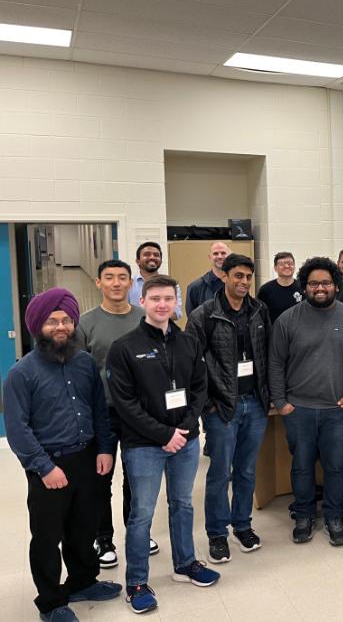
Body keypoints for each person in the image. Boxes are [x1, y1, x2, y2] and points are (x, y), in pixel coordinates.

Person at [4, 288, 121, 622]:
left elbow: (99, 409)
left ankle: (83, 582)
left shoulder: (84, 363)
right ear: (38, 325)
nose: (61, 326)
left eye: (66, 320)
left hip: (87, 458)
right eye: (53, 321)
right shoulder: (20, 374)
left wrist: (103, 448)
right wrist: (44, 467)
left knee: (84, 527)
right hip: (48, 465)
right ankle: (52, 602)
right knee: (47, 536)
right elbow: (18, 429)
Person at [107, 275, 217, 614]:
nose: (162, 305)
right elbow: (124, 403)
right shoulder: (124, 347)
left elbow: (200, 388)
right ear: (143, 301)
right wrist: (163, 435)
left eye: (168, 298)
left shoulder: (189, 342)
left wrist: (182, 430)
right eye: (155, 298)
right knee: (141, 515)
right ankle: (137, 582)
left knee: (182, 504)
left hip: (184, 440)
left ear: (176, 302)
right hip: (144, 445)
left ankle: (185, 564)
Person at [269, 257, 343, 546]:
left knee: (336, 466)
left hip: (338, 409)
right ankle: (304, 516)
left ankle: (335, 517)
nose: (319, 288)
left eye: (325, 283)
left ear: (335, 285)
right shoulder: (288, 319)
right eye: (313, 283)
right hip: (299, 409)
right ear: (304, 286)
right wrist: (281, 402)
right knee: (302, 466)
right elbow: (275, 364)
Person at [185, 254, 271, 565]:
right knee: (220, 473)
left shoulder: (260, 310)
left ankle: (243, 525)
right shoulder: (204, 315)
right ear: (225, 276)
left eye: (249, 276)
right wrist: (207, 405)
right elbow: (191, 366)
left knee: (247, 471)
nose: (244, 282)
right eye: (238, 275)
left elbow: (267, 355)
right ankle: (217, 534)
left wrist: (269, 396)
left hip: (256, 404)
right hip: (222, 407)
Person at [74, 260, 151, 569]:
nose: (117, 283)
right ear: (98, 283)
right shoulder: (85, 323)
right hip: (101, 412)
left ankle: (137, 532)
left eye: (122, 278)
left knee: (136, 478)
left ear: (132, 284)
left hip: (138, 412)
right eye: (110, 278)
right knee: (100, 479)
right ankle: (103, 538)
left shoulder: (144, 318)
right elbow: (79, 372)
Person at [128, 241, 183, 319]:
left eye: (156, 255)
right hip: (135, 329)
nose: (152, 257)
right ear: (138, 261)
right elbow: (123, 312)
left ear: (160, 261)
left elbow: (176, 313)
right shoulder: (129, 284)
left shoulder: (171, 285)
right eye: (147, 254)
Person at [185, 241, 231, 316]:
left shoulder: (236, 285)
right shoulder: (195, 287)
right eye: (215, 253)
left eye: (223, 253)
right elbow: (192, 320)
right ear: (210, 257)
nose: (220, 256)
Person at [257, 251, 303, 324]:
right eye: (282, 264)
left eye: (290, 263)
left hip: (297, 332)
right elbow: (259, 315)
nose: (287, 266)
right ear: (275, 268)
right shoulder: (265, 290)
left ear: (294, 266)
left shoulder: (302, 288)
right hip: (274, 332)